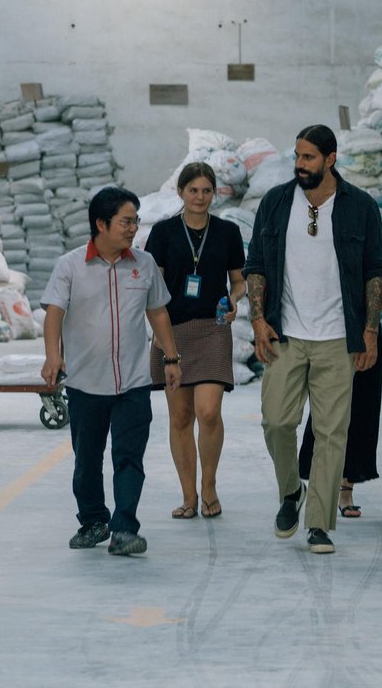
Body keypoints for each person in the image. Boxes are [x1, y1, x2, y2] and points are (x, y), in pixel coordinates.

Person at [245, 125, 382, 554]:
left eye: (308, 157)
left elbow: (374, 272)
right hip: (285, 334)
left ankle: (320, 523)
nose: (300, 165)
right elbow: (256, 265)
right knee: (276, 421)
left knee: (331, 432)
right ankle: (291, 492)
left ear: (331, 158)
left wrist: (370, 330)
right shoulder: (275, 202)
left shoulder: (360, 206)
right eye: (297, 156)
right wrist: (256, 320)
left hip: (338, 338)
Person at [40, 186, 182, 557]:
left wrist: (171, 358)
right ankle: (93, 521)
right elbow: (54, 312)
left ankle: (124, 529)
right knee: (87, 460)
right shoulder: (70, 266)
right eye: (126, 221)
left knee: (129, 457)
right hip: (87, 383)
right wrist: (52, 357)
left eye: (135, 220)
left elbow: (158, 313)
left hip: (133, 381)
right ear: (101, 224)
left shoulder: (143, 264)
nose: (133, 228)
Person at [144, 162, 246, 520]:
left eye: (206, 191)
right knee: (181, 417)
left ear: (214, 193)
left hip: (213, 328)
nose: (200, 197)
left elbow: (239, 280)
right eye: (193, 190)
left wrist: (236, 300)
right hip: (172, 331)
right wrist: (159, 336)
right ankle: (188, 495)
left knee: (209, 412)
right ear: (181, 192)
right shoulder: (163, 232)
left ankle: (209, 485)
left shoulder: (228, 232)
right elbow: (152, 288)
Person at [298, 245, 382, 518]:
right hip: (320, 333)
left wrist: (354, 300)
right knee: (323, 409)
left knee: (359, 408)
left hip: (362, 334)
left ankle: (345, 487)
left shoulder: (372, 242)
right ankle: (318, 484)